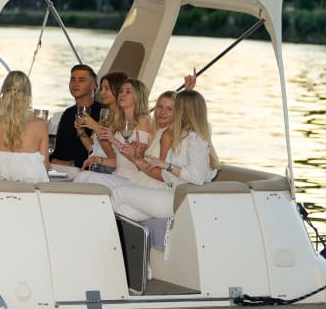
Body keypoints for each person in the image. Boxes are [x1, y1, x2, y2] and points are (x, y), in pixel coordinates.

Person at [110, 90, 219, 221]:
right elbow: (167, 177)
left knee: (118, 193)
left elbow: (197, 177)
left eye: (175, 108)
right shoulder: (183, 135)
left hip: (178, 200)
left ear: (184, 110)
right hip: (169, 192)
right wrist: (139, 158)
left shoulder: (195, 139)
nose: (169, 112)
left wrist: (167, 166)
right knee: (122, 211)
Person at [75, 78, 151, 188]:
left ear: (138, 96)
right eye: (121, 91)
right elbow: (119, 161)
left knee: (90, 179)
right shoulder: (121, 122)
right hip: (118, 175)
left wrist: (112, 140)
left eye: (128, 92)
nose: (122, 95)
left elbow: (139, 160)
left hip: (134, 179)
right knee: (81, 176)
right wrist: (96, 159)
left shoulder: (142, 121)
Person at [0, 71, 49, 183]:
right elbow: (45, 167)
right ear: (28, 96)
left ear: (4, 93)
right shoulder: (40, 125)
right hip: (31, 193)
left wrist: (6, 168)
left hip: (0, 192)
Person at [48, 64, 102, 169]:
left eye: (81, 80)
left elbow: (101, 152)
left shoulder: (102, 113)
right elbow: (58, 151)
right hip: (59, 168)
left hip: (86, 169)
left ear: (94, 86)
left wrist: (71, 164)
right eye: (73, 80)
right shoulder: (68, 113)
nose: (75, 84)